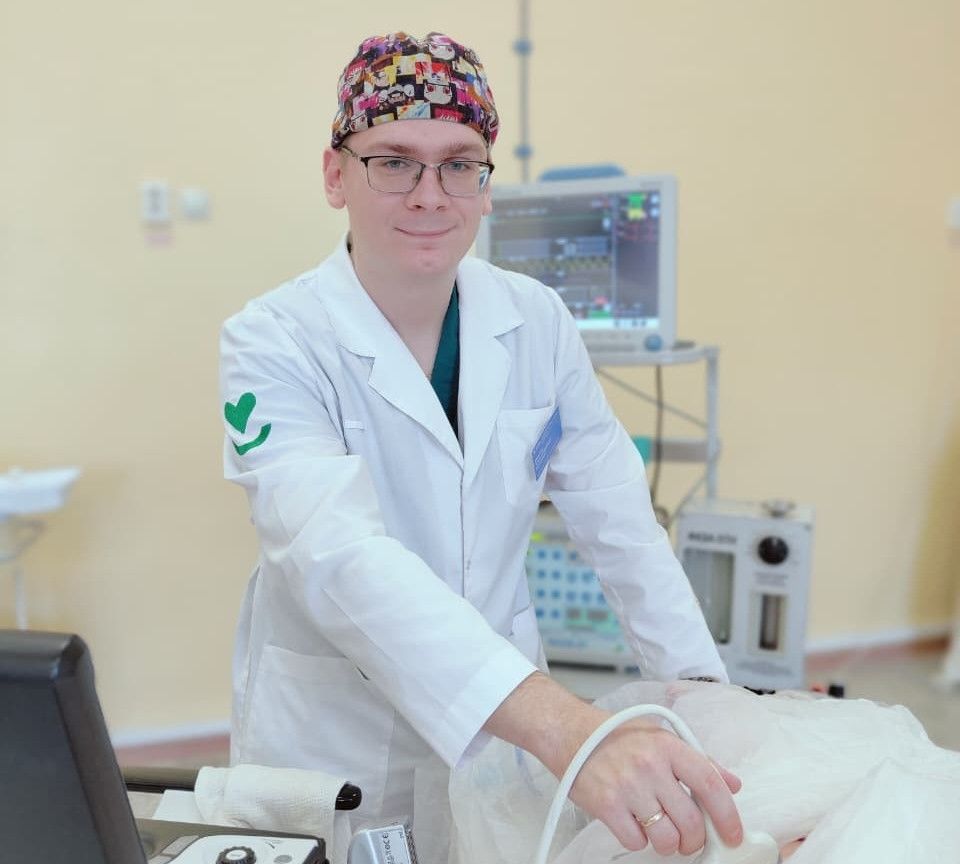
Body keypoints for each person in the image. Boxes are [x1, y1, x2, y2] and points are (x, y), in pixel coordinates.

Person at [219, 30, 742, 861]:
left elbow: (621, 525)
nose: (430, 195)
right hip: (339, 739)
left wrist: (711, 705)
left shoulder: (535, 320)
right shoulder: (272, 341)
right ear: (335, 175)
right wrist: (571, 730)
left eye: (459, 164)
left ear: (487, 184)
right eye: (394, 162)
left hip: (507, 735)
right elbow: (338, 559)